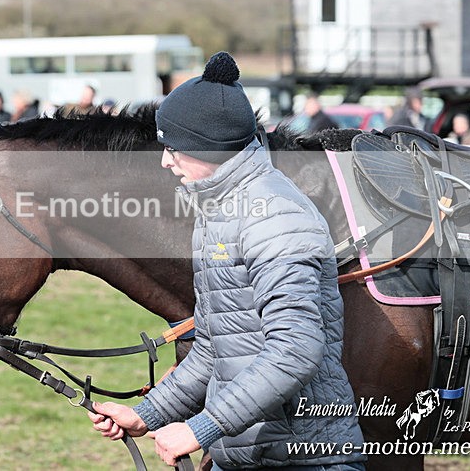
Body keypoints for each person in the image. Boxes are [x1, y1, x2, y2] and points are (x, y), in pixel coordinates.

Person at [88, 52, 365, 470]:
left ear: (210, 147)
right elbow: (214, 350)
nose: (165, 160)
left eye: (173, 147)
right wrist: (146, 414)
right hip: (246, 456)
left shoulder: (275, 217)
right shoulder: (218, 214)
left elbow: (295, 349)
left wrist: (200, 428)